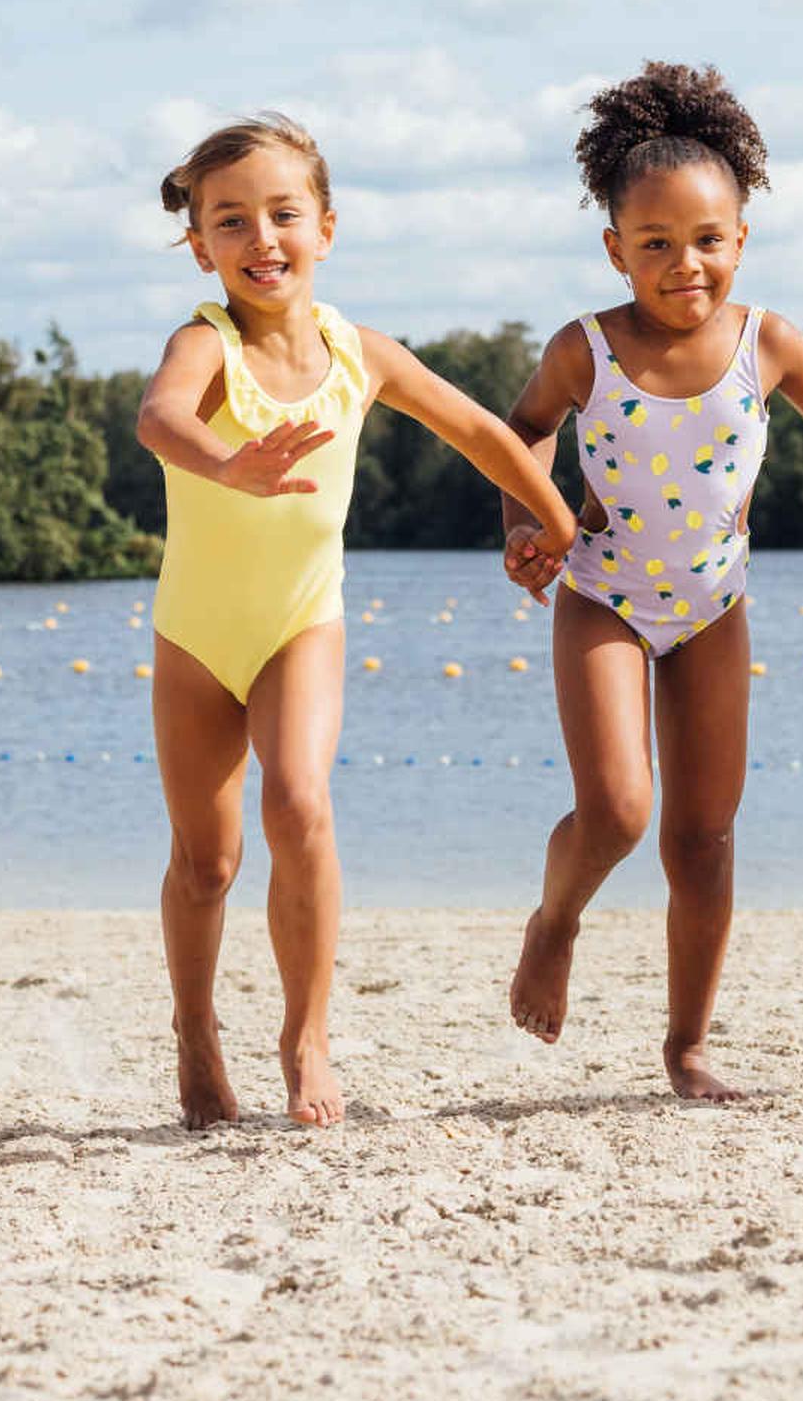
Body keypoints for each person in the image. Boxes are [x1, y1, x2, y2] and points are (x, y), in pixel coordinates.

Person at [138, 114, 578, 1129]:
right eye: (231, 222)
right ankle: (196, 1033)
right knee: (206, 862)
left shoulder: (362, 354)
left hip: (302, 622)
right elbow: (159, 418)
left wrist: (557, 523)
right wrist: (229, 465)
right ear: (200, 247)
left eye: (283, 214)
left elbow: (483, 433)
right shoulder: (203, 344)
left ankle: (306, 1038)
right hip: (196, 637)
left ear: (325, 229)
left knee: (298, 803)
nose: (261, 239)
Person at [499, 62, 803, 1100]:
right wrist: (530, 521)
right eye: (656, 244)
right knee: (618, 812)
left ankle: (686, 1047)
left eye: (709, 240)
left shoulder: (769, 343)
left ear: (742, 239)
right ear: (615, 249)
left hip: (715, 610)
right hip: (604, 599)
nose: (687, 265)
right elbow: (523, 431)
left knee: (705, 837)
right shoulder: (586, 349)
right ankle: (556, 922)